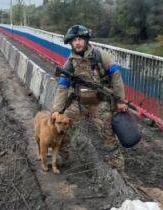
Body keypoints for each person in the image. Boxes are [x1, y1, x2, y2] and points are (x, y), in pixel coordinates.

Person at [51, 25, 127, 171]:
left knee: (108, 133)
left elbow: (116, 77)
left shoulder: (100, 56)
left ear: (86, 40)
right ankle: (62, 158)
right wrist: (57, 110)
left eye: (80, 39)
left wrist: (120, 101)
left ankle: (117, 166)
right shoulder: (70, 63)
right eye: (74, 40)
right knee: (61, 126)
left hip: (100, 103)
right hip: (80, 103)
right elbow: (63, 87)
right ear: (70, 43)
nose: (78, 42)